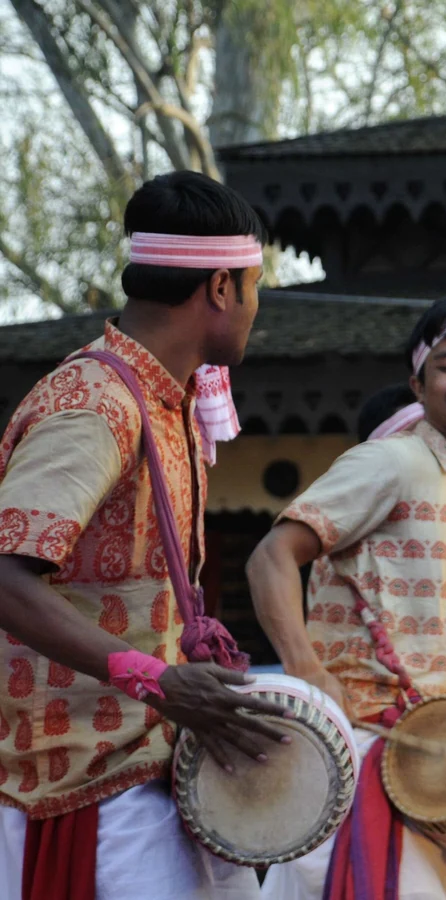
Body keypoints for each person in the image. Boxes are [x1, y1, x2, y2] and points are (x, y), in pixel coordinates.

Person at [0, 171, 286, 898]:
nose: (257, 306)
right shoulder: (94, 402)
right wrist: (155, 677)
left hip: (145, 760)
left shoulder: (166, 397)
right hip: (81, 782)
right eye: (254, 286)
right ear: (221, 289)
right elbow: (5, 576)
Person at [250, 297, 446, 899]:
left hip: (442, 769)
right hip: (361, 754)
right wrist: (305, 668)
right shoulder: (391, 462)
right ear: (418, 386)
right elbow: (271, 556)